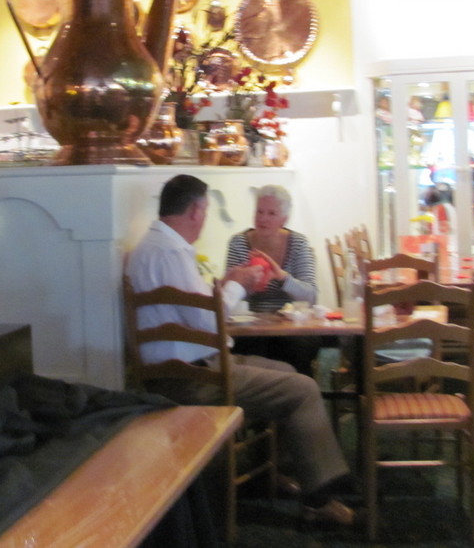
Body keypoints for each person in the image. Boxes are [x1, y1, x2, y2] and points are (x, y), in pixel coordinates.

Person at [125, 174, 355, 526]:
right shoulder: (172, 252)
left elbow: (193, 307)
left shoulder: (154, 246)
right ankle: (320, 500)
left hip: (186, 365)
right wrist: (238, 285)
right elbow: (208, 322)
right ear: (196, 211)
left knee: (286, 371)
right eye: (205, 211)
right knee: (304, 388)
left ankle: (270, 471)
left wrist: (226, 284)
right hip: (193, 376)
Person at [224, 184, 322, 376]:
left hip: (290, 327)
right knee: (245, 347)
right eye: (259, 211)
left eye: (271, 213)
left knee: (298, 347)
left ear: (284, 219)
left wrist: (282, 277)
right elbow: (230, 295)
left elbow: (311, 295)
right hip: (250, 326)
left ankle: (298, 391)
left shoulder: (298, 243)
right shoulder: (238, 243)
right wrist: (248, 284)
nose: (263, 218)